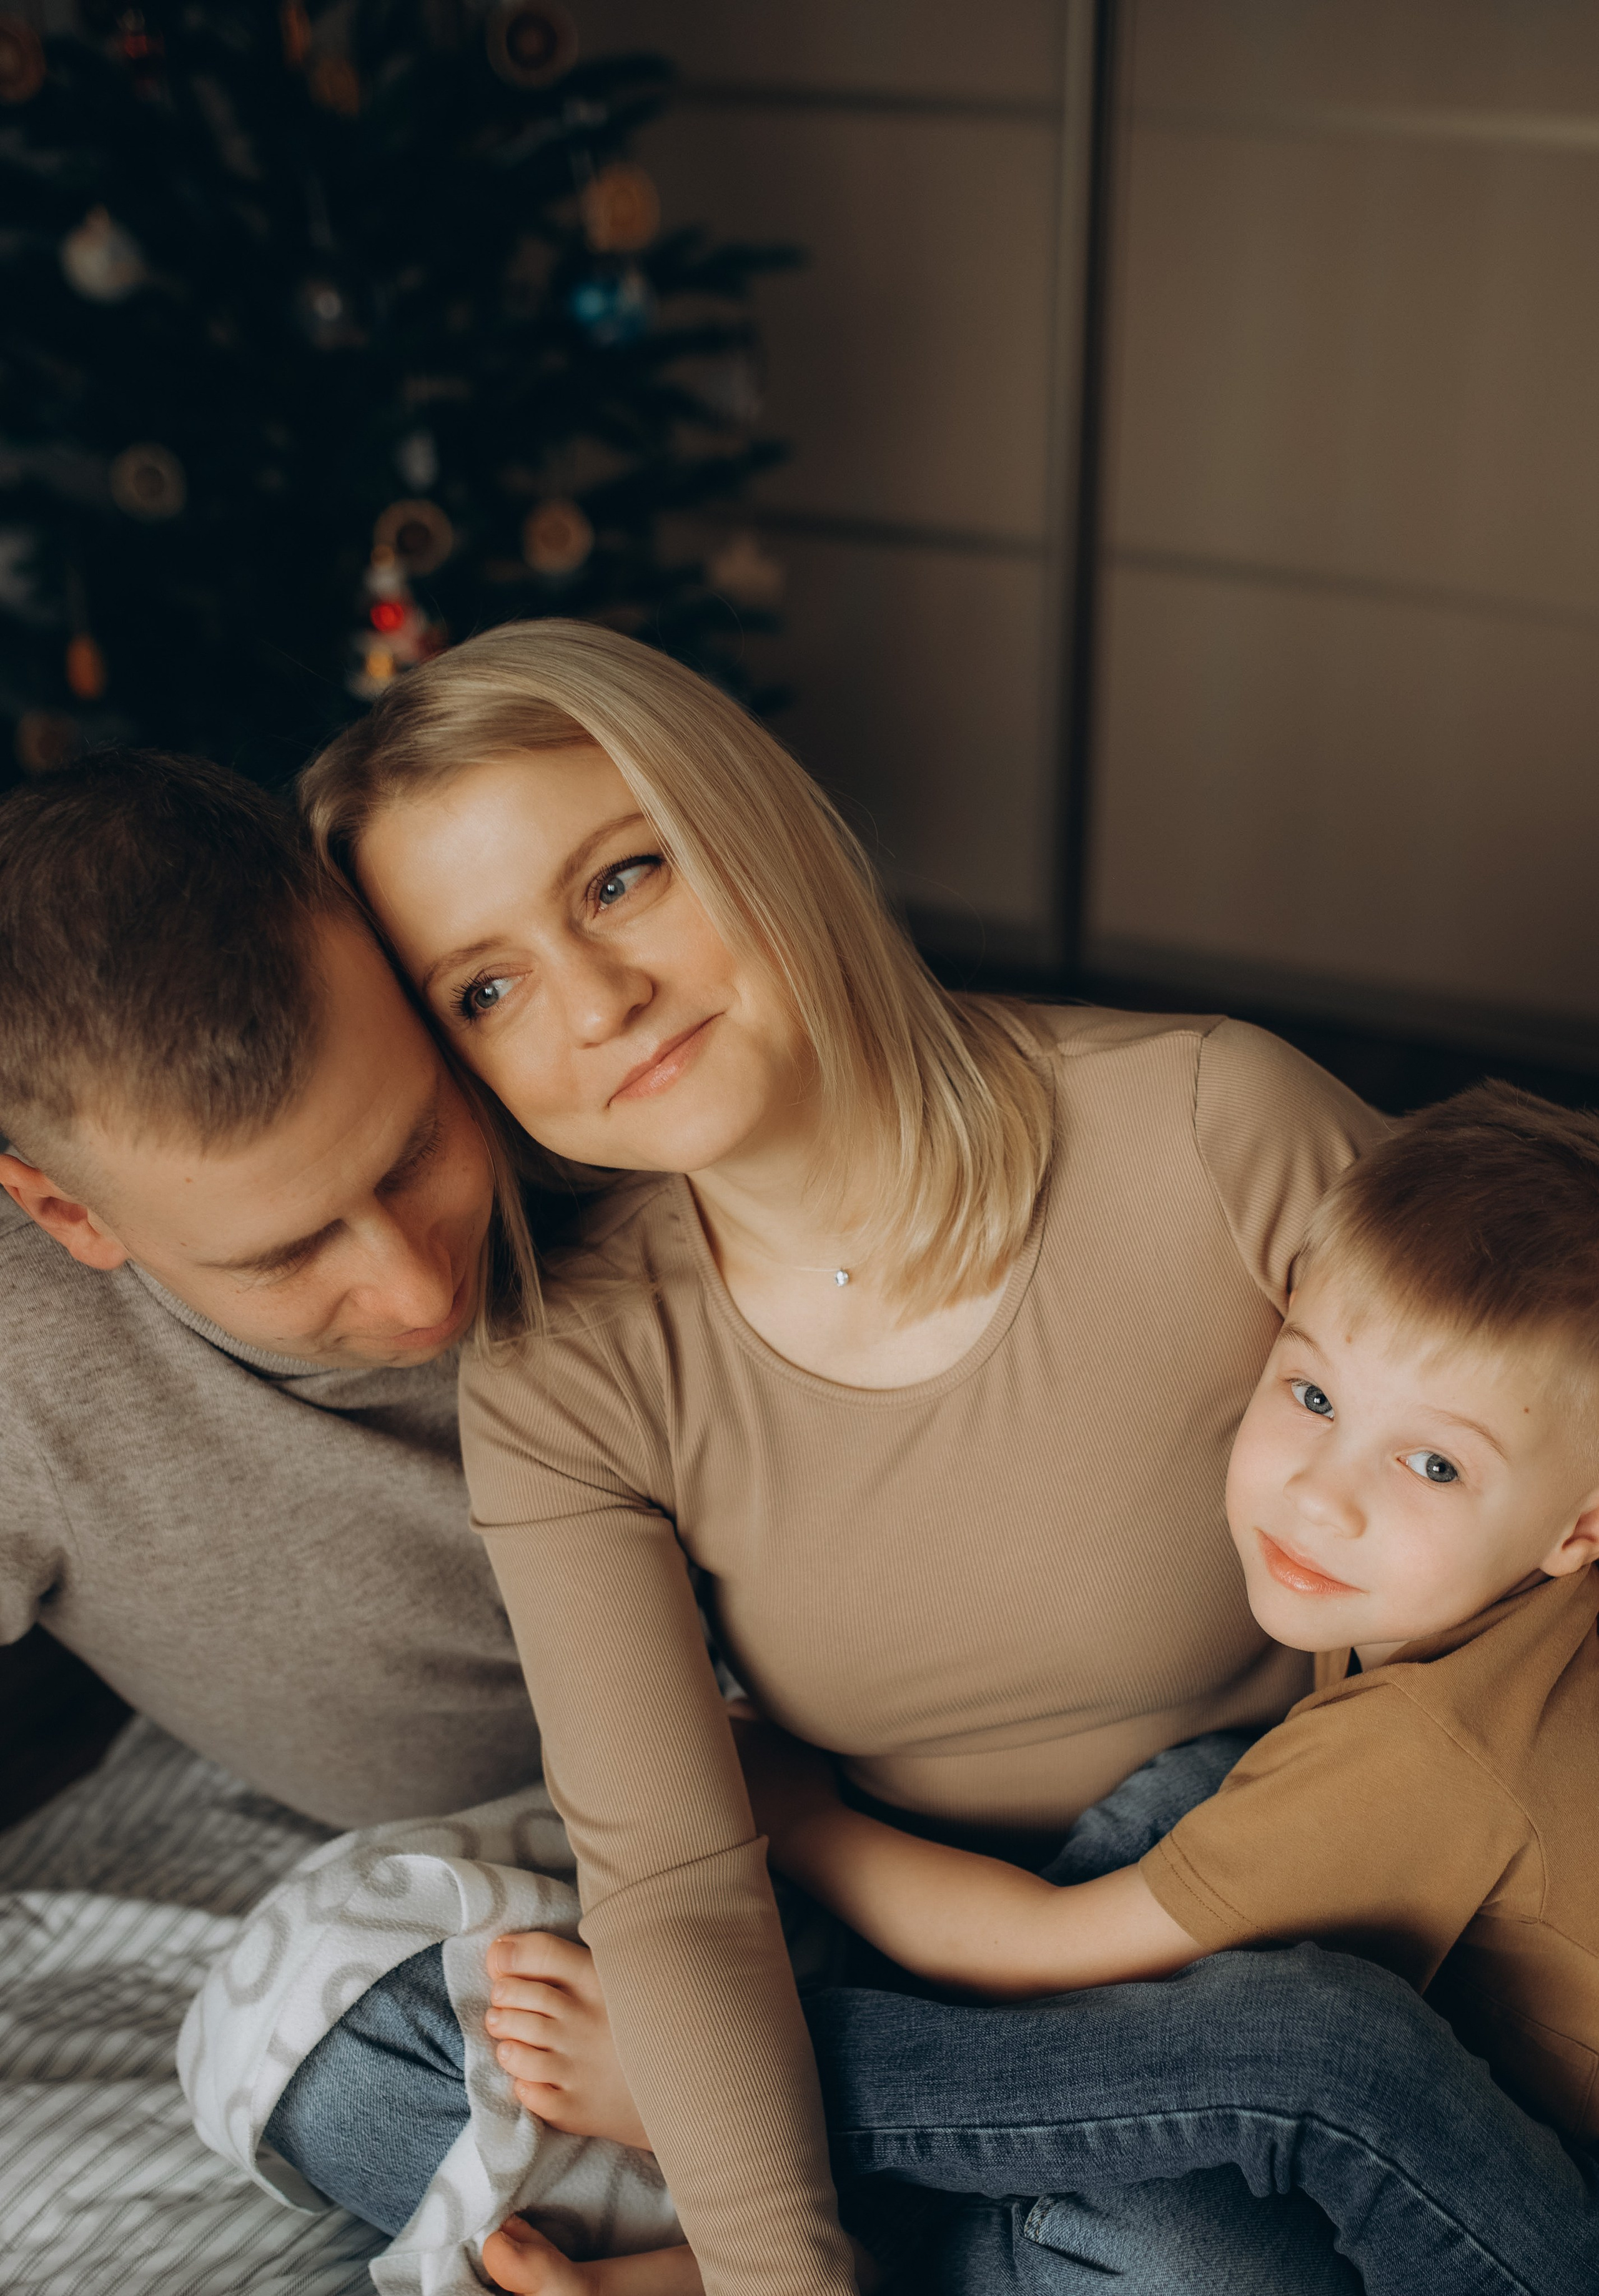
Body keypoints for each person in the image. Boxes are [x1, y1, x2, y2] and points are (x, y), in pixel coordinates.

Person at [287, 616, 1387, 2296]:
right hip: (881, 1936)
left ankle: (851, 2158)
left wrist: (752, 2121)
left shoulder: (1207, 1123)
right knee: (351, 2059)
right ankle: (909, 2184)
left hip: (1262, 1916)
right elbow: (672, 1881)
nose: (597, 1002)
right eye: (486, 989)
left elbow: (1518, 1524)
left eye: (622, 879)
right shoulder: (569, 1361)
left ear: (755, 819)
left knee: (1191, 2248)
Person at [740, 1081, 1599, 2296]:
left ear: (1579, 1529)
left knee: (1309, 2047)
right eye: (1313, 1396)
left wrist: (798, 1817)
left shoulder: (1428, 1746)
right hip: (1502, 2149)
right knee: (1204, 1795)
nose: (1322, 1494)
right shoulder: (1484, 1595)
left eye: (1432, 1464)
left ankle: (758, 2125)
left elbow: (1039, 1952)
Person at [0, 749, 542, 1828]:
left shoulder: (549, 1060)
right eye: (285, 1255)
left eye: (416, 1151)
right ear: (70, 1215)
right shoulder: (26, 1367)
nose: (419, 1292)